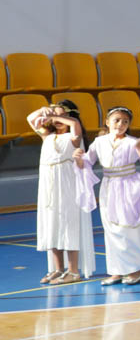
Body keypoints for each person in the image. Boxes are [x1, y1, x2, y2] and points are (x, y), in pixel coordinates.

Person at [88, 106, 140, 286]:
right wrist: (78, 159)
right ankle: (117, 271)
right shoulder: (99, 142)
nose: (120, 124)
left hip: (129, 188)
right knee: (111, 229)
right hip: (108, 188)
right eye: (116, 120)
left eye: (125, 122)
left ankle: (135, 270)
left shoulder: (133, 142)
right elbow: (87, 160)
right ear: (107, 122)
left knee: (127, 229)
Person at [28, 101, 93, 285]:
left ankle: (73, 270)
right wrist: (42, 110)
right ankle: (58, 269)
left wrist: (54, 115)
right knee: (52, 223)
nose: (57, 120)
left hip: (66, 184)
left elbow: (75, 124)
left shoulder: (73, 137)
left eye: (62, 116)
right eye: (54, 116)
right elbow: (30, 118)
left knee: (68, 224)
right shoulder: (47, 135)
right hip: (48, 184)